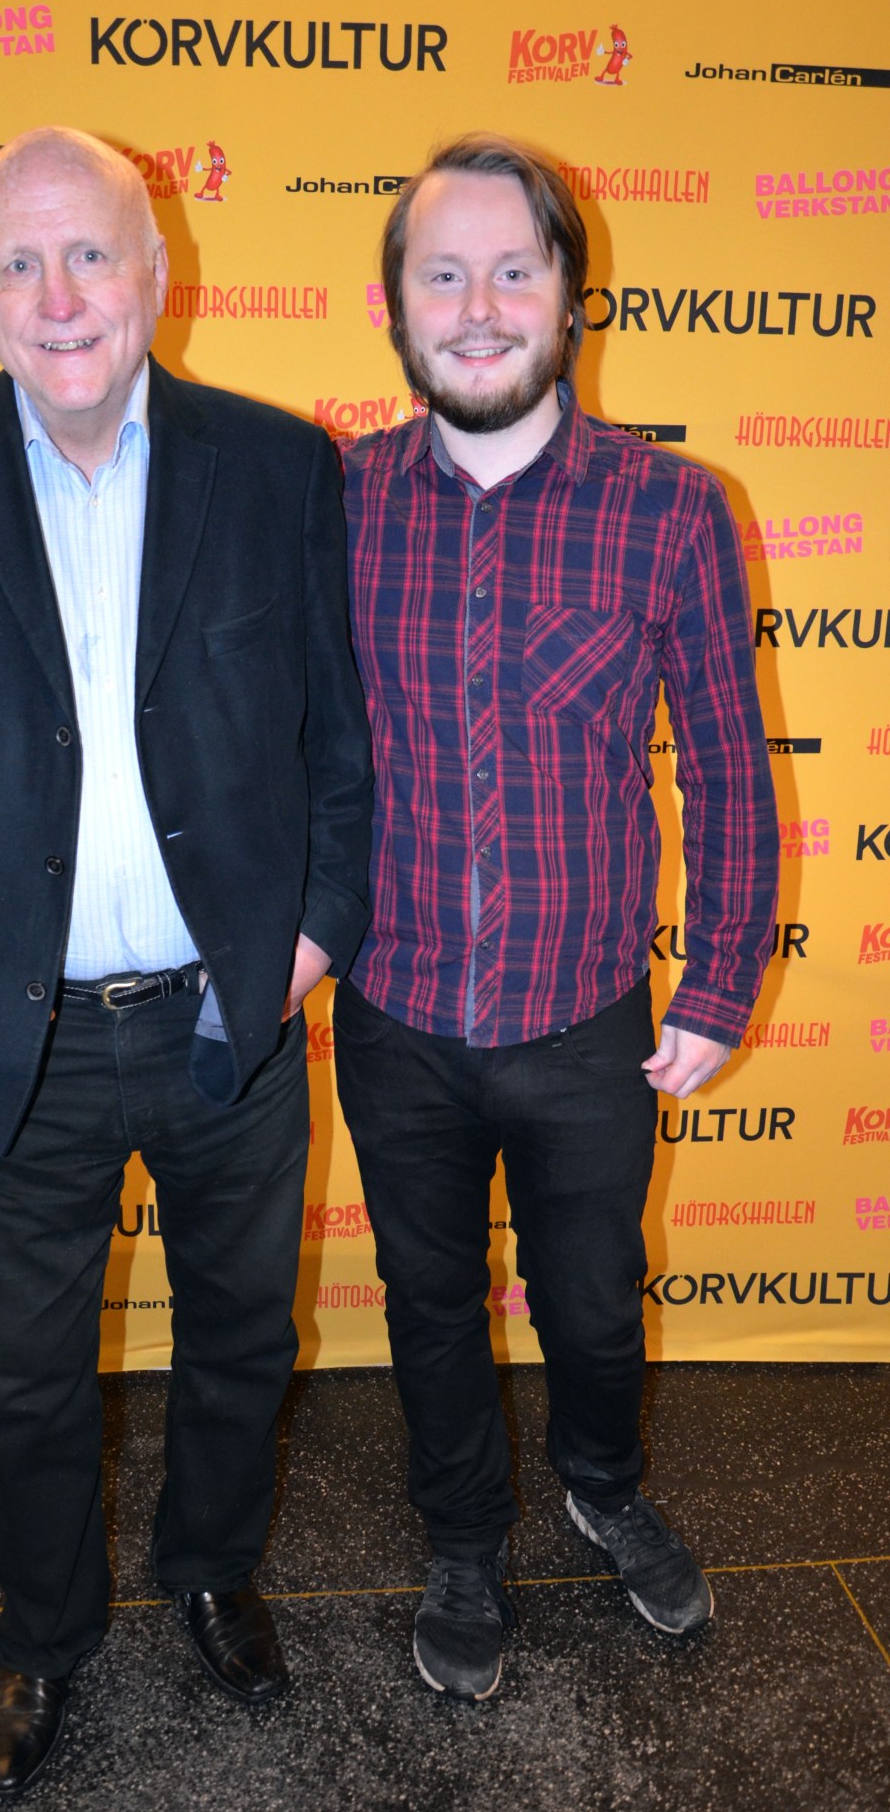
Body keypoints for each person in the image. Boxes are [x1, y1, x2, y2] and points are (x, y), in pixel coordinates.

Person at [0, 125, 371, 1798]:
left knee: (243, 1340)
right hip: (22, 1039)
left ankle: (211, 1571)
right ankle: (45, 1637)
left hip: (230, 1025)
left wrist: (304, 945)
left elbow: (343, 755)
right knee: (26, 1383)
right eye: (19, 264)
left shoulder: (280, 469)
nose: (58, 296)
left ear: (155, 269)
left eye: (90, 254)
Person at [332, 133, 778, 1700]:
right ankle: (463, 1538)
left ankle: (602, 1485)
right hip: (394, 1017)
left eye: (513, 270)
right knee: (430, 1309)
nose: (478, 306)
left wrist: (717, 985)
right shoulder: (335, 504)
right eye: (442, 274)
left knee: (593, 1310)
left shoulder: (673, 511)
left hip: (588, 1025)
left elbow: (727, 764)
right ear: (395, 307)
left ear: (573, 295)